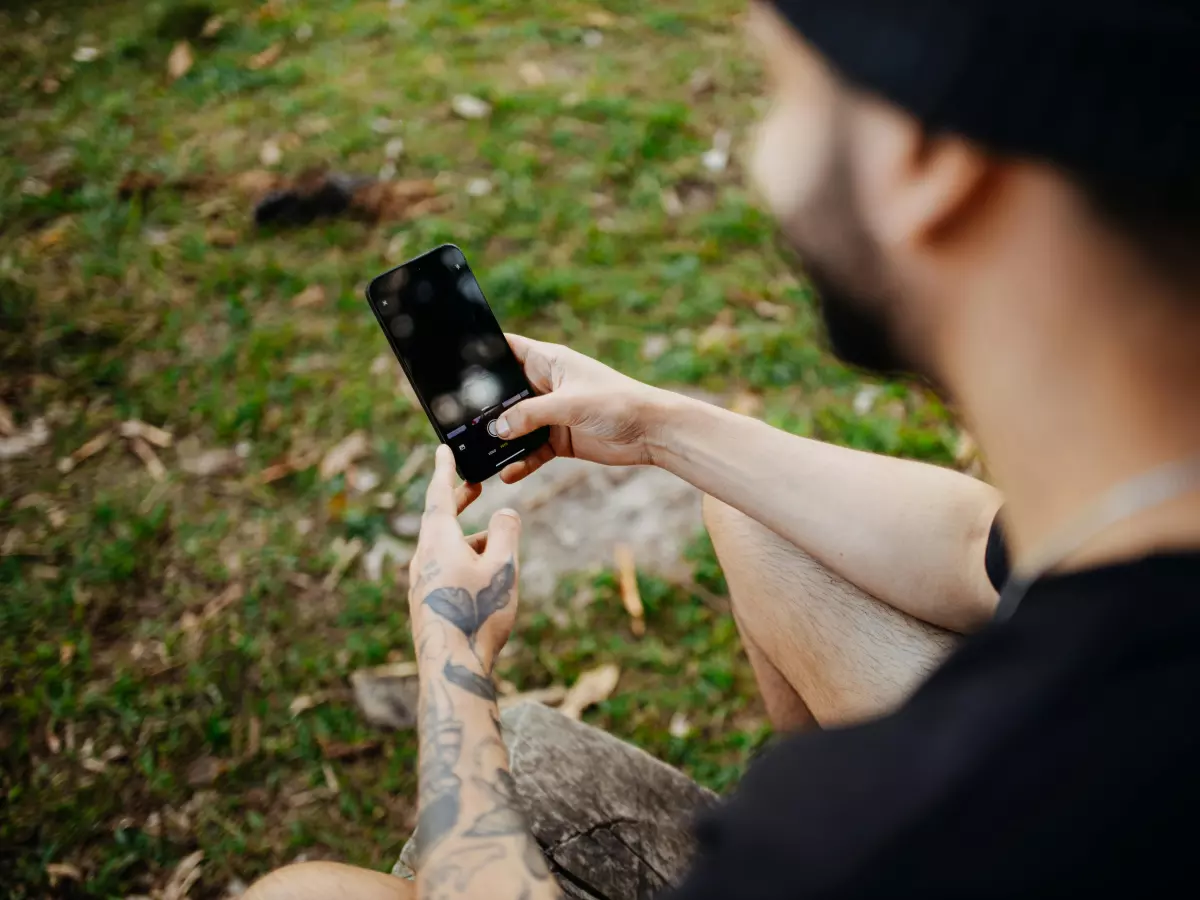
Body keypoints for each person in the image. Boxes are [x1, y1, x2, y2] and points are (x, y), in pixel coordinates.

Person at [248, 0, 1200, 897]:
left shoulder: (887, 835)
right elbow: (978, 549)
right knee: (760, 512)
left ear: (928, 160)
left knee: (299, 891)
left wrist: (448, 653)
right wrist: (657, 426)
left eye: (780, 92)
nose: (763, 157)